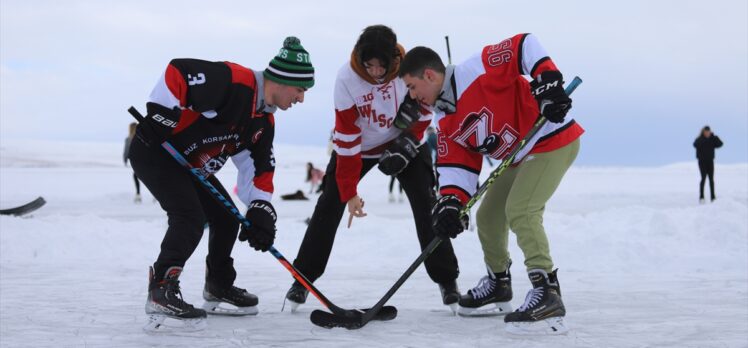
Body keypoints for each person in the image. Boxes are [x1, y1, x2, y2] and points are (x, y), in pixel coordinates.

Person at [399, 33, 583, 334]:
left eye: (412, 86)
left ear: (429, 75)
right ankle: (499, 283)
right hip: (520, 155)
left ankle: (547, 291)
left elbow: (524, 45)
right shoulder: (445, 119)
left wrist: (547, 79)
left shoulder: (478, 68)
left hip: (551, 138)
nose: (412, 95)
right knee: (488, 217)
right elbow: (457, 168)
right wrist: (451, 204)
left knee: (520, 209)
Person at [129, 37, 314, 331]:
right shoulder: (235, 83)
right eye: (301, 90)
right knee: (190, 216)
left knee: (226, 217)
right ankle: (161, 288)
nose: (302, 98)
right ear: (281, 80)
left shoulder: (263, 121)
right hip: (157, 150)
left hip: (190, 166)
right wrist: (161, 113)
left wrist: (260, 209)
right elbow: (179, 72)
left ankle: (218, 285)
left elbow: (259, 169)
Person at [286, 25, 461, 312]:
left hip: (403, 142)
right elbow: (346, 136)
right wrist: (350, 191)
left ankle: (446, 279)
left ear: (394, 59)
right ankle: (303, 278)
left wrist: (407, 143)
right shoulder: (346, 79)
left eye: (383, 66)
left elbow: (426, 105)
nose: (377, 72)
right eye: (370, 66)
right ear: (360, 59)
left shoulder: (407, 67)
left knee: (426, 201)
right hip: (359, 148)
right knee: (330, 202)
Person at [693, 125, 723, 203]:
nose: (707, 133)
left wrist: (714, 137)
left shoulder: (712, 139)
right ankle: (701, 197)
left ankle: (713, 197)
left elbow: (720, 144)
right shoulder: (699, 139)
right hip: (702, 162)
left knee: (711, 179)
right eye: (706, 132)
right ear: (703, 132)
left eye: (708, 132)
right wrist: (704, 139)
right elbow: (695, 144)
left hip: (710, 161)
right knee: (703, 178)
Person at [124, 122, 143, 203]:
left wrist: (125, 159)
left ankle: (138, 194)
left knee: (136, 176)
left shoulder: (129, 139)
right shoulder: (141, 136)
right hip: (142, 159)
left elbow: (126, 150)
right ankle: (139, 194)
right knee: (140, 176)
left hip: (135, 160)